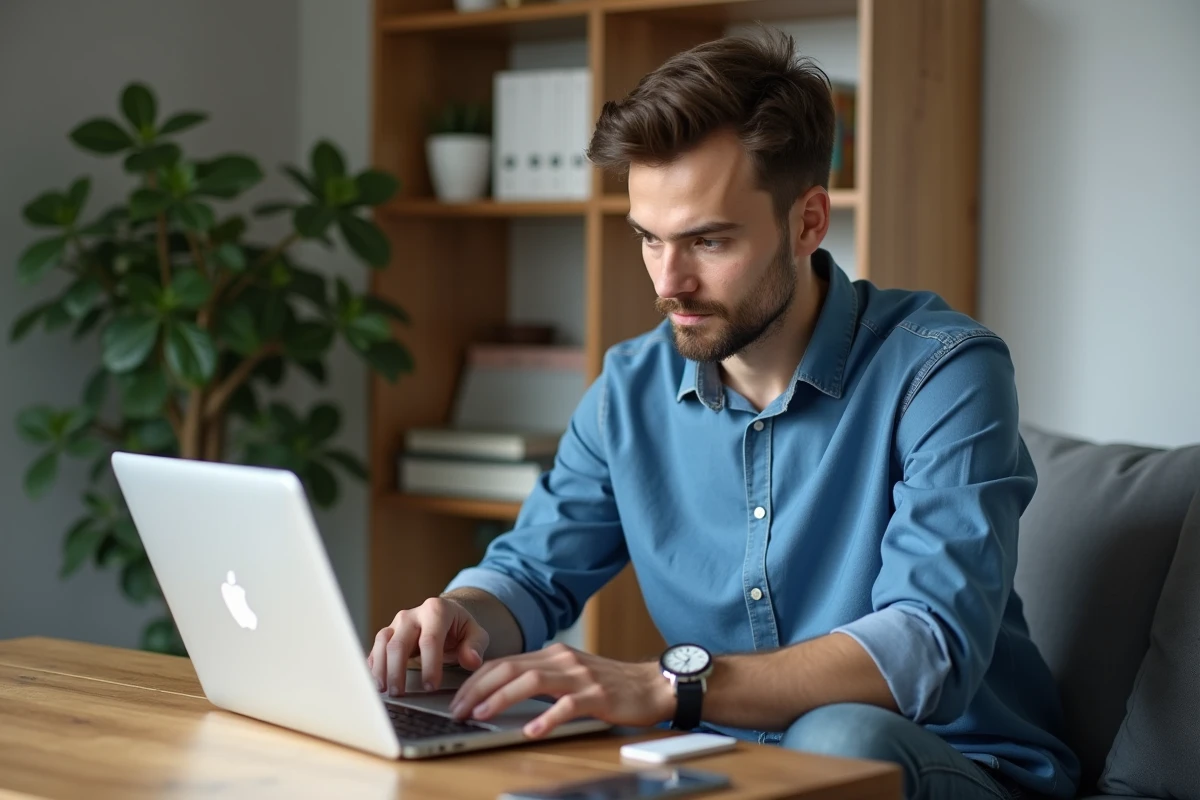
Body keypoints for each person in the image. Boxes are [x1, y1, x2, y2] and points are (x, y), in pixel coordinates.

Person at [368, 29, 1080, 800]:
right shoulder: (630, 388)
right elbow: (531, 574)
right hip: (723, 767)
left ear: (808, 222)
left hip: (950, 764)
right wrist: (463, 616)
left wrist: (670, 685)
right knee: (518, 722)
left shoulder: (945, 371)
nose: (669, 282)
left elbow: (926, 646)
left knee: (835, 737)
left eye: (707, 241)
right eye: (648, 239)